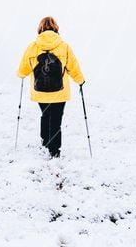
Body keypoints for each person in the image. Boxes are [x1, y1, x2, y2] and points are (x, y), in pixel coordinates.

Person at [16, 16, 85, 158]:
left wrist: (21, 74)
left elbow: (23, 69)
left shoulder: (32, 46)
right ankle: (54, 150)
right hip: (60, 92)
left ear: (40, 28)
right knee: (56, 119)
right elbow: (73, 66)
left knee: (45, 114)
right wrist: (80, 80)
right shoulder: (64, 46)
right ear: (55, 28)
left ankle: (45, 140)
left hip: (40, 91)